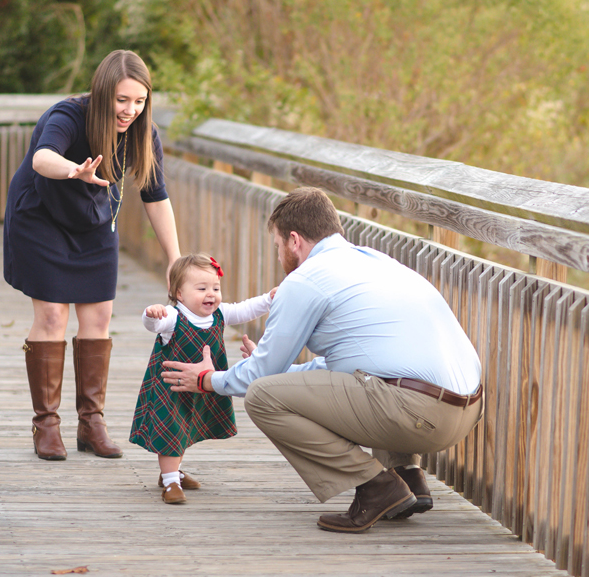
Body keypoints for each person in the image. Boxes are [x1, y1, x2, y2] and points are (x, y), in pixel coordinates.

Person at [161, 187, 482, 532]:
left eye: (277, 245)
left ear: (294, 241)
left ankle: (377, 488)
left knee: (263, 397)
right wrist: (285, 372)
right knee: (376, 374)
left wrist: (208, 380)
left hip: (413, 412)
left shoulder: (304, 280)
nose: (279, 254)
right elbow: (352, 366)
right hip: (465, 412)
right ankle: (408, 477)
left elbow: (261, 378)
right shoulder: (377, 261)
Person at [3, 50, 181, 462]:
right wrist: (72, 170)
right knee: (52, 316)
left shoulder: (142, 131)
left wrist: (174, 258)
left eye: (139, 101)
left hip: (95, 219)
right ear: (103, 92)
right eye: (123, 100)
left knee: (98, 317)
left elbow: (156, 196)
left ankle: (91, 423)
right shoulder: (67, 115)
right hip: (41, 217)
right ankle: (46, 424)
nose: (131, 110)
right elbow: (41, 158)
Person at [129, 254, 276, 504]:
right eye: (202, 288)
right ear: (180, 294)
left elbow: (244, 309)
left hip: (201, 386)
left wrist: (268, 300)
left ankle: (171, 473)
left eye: (215, 288)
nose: (211, 294)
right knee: (172, 430)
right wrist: (150, 313)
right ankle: (171, 481)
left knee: (187, 427)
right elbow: (153, 324)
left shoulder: (220, 314)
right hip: (171, 388)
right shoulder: (173, 317)